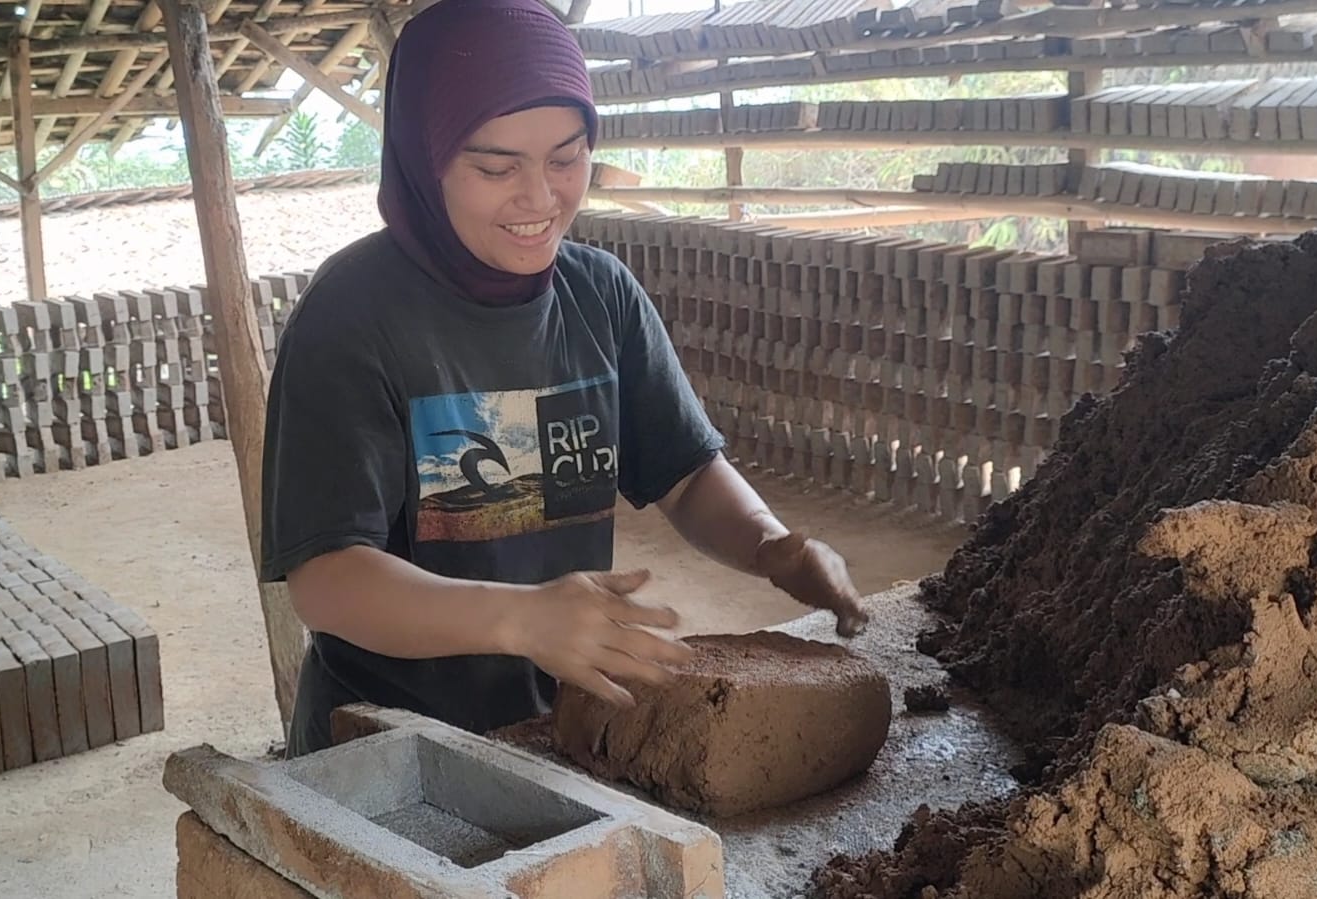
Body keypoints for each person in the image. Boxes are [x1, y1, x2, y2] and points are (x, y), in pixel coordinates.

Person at [259, 0, 870, 758]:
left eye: (565, 157)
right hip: (385, 741)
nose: (541, 198)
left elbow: (683, 472)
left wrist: (771, 545)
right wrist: (519, 618)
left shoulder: (599, 293)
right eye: (495, 167)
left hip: (557, 728)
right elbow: (325, 577)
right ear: (426, 157)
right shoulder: (351, 317)